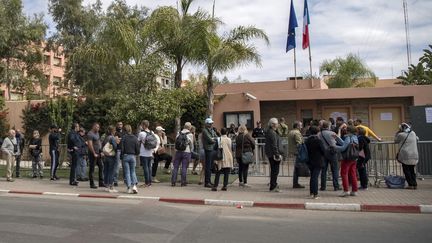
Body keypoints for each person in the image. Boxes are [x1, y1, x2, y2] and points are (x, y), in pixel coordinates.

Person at [319, 121, 343, 191]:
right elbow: (341, 142)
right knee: (334, 170)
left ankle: (323, 187)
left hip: (323, 153)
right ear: (328, 126)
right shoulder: (332, 133)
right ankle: (336, 186)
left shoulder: (319, 134)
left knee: (323, 170)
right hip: (332, 152)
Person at [395, 123, 419, 189]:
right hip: (414, 154)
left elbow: (395, 140)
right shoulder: (413, 133)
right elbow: (417, 138)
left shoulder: (401, 135)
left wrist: (398, 132)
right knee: (412, 170)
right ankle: (415, 184)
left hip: (405, 155)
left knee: (406, 170)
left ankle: (410, 184)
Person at [305, 126, 325, 199]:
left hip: (309, 160)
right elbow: (323, 150)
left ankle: (311, 192)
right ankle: (315, 194)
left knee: (312, 176)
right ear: (317, 132)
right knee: (315, 177)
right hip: (318, 160)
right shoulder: (318, 140)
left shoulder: (307, 140)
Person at [339, 125, 359, 197]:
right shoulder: (355, 137)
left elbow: (343, 148)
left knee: (344, 174)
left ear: (348, 131)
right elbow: (346, 144)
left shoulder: (348, 137)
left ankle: (346, 190)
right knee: (353, 174)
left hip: (347, 158)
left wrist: (335, 147)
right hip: (354, 157)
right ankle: (354, 190)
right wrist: (337, 139)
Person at [171, 122, 194, 187]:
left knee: (176, 167)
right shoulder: (190, 134)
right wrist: (191, 151)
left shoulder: (179, 133)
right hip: (186, 151)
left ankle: (173, 181)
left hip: (178, 151)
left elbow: (176, 141)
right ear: (189, 127)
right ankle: (183, 182)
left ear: (184, 126)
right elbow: (191, 144)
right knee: (184, 167)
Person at [265, 118, 283, 192]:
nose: (278, 125)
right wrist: (277, 154)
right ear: (273, 124)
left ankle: (273, 184)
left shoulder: (270, 131)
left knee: (274, 170)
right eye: (276, 123)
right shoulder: (272, 133)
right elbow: (274, 145)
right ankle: (273, 186)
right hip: (273, 154)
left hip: (271, 153)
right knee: (275, 171)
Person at [121, 124, 140, 194]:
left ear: (125, 130)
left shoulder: (124, 138)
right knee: (133, 171)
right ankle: (134, 186)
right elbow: (137, 148)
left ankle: (129, 187)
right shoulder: (135, 138)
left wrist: (121, 156)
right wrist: (137, 153)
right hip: (133, 156)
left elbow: (122, 148)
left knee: (127, 172)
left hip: (126, 155)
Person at [138, 120, 155, 187]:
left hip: (143, 153)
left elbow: (138, 142)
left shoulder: (141, 133)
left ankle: (146, 182)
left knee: (145, 168)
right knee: (149, 167)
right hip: (150, 153)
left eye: (142, 125)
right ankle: (150, 182)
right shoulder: (152, 132)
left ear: (144, 125)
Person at [288, 121, 305, 189]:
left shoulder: (290, 132)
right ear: (297, 126)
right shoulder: (297, 133)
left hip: (292, 152)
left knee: (296, 168)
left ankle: (295, 183)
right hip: (297, 152)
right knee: (297, 169)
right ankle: (295, 183)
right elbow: (299, 143)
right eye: (300, 125)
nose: (301, 127)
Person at [102, 126, 120, 193]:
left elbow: (103, 145)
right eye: (114, 131)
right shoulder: (112, 138)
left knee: (106, 171)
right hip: (111, 156)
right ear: (113, 131)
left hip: (106, 156)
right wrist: (117, 143)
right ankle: (111, 186)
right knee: (111, 171)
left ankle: (106, 185)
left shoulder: (106, 137)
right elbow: (115, 147)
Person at [202, 118, 218, 188]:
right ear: (207, 124)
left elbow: (216, 138)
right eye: (210, 123)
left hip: (212, 149)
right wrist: (213, 139)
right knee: (208, 166)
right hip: (208, 149)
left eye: (211, 123)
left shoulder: (211, 130)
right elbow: (210, 140)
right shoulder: (205, 131)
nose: (211, 124)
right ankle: (207, 182)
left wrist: (213, 139)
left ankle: (209, 181)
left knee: (210, 165)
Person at [87, 123, 104, 189]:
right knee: (92, 168)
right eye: (97, 127)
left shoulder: (97, 133)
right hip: (92, 154)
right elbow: (90, 145)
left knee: (101, 166)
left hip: (98, 153)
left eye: (99, 127)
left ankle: (101, 182)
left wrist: (101, 151)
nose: (98, 128)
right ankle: (92, 183)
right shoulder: (90, 134)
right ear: (93, 127)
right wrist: (94, 153)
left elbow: (99, 143)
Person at [113, 121, 124, 187]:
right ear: (117, 125)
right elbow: (116, 141)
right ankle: (115, 181)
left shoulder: (124, 132)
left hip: (124, 150)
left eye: (121, 124)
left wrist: (120, 139)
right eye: (119, 124)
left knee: (125, 166)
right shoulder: (115, 132)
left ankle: (126, 180)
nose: (120, 125)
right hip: (118, 150)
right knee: (117, 166)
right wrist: (120, 139)